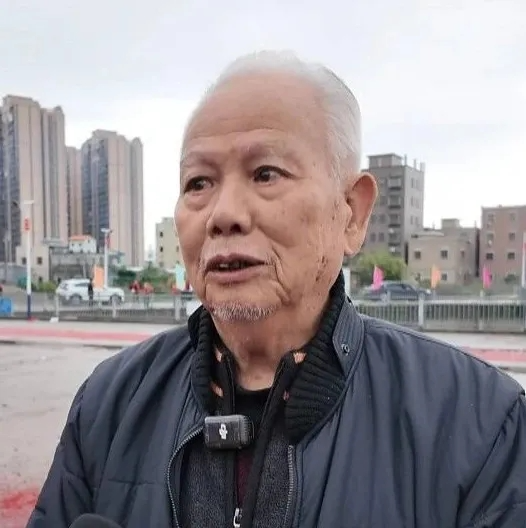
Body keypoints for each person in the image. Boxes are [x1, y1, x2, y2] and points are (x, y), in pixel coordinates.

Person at [26, 51, 526, 528]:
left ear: (352, 213)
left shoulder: (479, 424)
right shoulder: (109, 405)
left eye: (265, 174)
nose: (223, 214)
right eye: (198, 183)